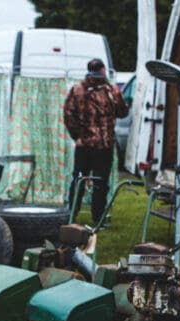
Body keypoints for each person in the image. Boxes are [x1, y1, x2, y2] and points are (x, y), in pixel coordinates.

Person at [63, 58, 129, 225]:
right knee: (99, 183)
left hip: (85, 144)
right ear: (103, 70)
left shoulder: (78, 90)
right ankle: (97, 218)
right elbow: (123, 112)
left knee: (79, 180)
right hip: (102, 145)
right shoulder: (111, 90)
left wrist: (77, 136)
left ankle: (72, 214)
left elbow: (68, 114)